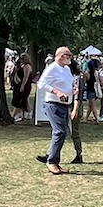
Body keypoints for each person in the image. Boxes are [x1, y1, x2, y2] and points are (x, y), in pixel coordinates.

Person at [35, 46, 75, 175]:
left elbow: (66, 84)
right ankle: (51, 161)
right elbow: (41, 83)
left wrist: (72, 90)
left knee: (61, 133)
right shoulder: (52, 68)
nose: (70, 58)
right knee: (59, 132)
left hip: (64, 105)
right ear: (61, 56)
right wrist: (57, 92)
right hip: (53, 104)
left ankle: (55, 161)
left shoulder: (66, 69)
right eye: (68, 56)